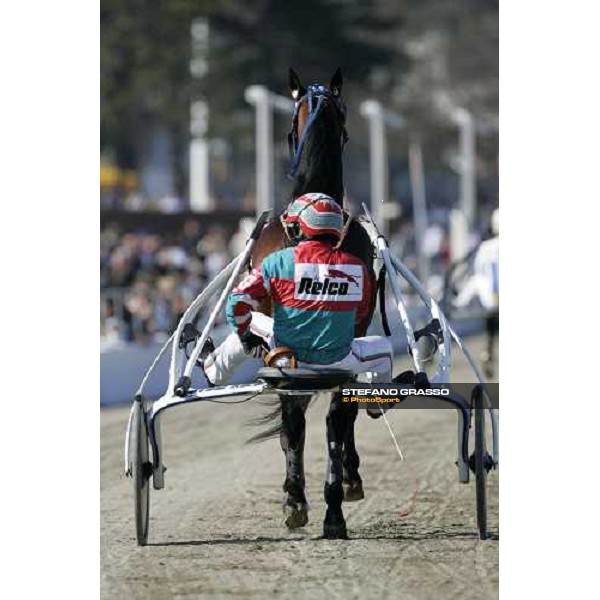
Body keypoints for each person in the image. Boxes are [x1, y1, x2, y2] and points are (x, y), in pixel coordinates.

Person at [198, 193, 393, 386]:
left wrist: (247, 338)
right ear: (337, 230)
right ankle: (377, 401)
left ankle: (215, 371)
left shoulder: (276, 262)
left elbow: (237, 302)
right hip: (341, 363)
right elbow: (360, 315)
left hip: (288, 359)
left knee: (252, 321)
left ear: (298, 228)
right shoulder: (358, 268)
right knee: (385, 349)